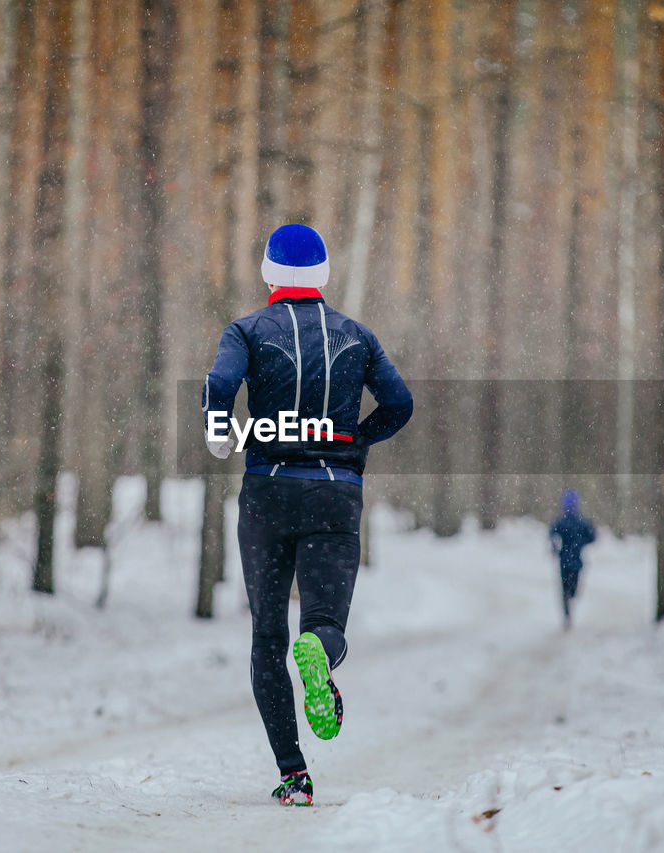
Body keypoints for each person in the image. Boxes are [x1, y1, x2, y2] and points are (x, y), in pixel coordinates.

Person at [202, 223, 413, 806]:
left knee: (267, 635)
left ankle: (293, 774)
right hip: (333, 494)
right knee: (323, 621)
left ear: (269, 273)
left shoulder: (246, 330)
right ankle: (320, 647)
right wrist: (356, 443)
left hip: (266, 494)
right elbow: (400, 404)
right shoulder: (357, 336)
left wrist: (221, 427)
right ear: (322, 277)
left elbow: (220, 383)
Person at [549, 489, 596, 629]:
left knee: (565, 589)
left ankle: (567, 611)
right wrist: (582, 543)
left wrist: (555, 548)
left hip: (564, 560)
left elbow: (552, 535)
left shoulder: (560, 521)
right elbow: (592, 537)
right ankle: (570, 598)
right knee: (574, 587)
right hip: (577, 560)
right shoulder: (582, 521)